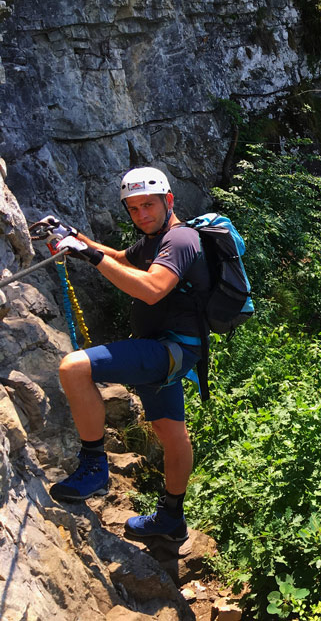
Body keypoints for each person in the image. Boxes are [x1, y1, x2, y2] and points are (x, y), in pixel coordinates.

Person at [45, 166, 209, 542]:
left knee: (74, 368)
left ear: (169, 201)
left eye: (148, 205)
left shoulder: (180, 239)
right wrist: (73, 237)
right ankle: (172, 519)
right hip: (169, 350)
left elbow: (152, 289)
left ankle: (94, 468)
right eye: (133, 208)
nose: (141, 215)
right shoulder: (154, 239)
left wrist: (91, 257)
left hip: (167, 350)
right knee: (171, 434)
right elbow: (118, 258)